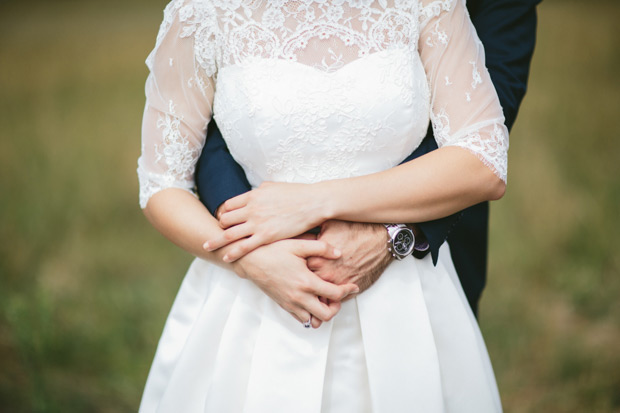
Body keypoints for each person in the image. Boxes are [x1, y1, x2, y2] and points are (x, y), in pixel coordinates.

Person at [136, 1, 534, 411]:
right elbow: (162, 184)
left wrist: (316, 202)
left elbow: (482, 159)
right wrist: (248, 258)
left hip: (403, 303)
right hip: (254, 300)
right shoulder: (202, 13)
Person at [195, 0, 540, 318]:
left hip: (417, 266)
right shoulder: (205, 13)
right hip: (258, 271)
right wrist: (246, 240)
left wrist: (380, 229)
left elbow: (483, 139)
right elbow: (204, 124)